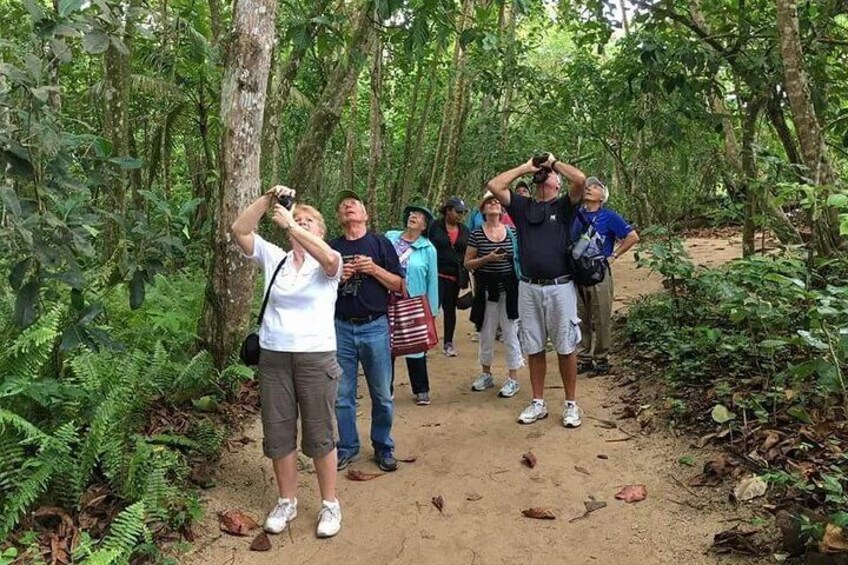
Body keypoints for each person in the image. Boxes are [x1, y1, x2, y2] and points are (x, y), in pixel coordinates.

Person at [231, 185, 344, 538]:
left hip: (315, 357)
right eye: (299, 217)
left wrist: (293, 224)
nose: (303, 223)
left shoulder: (329, 264)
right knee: (279, 432)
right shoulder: (275, 257)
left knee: (320, 433)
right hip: (274, 358)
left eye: (311, 221)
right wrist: (267, 199)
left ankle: (329, 504)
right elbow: (240, 230)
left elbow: (328, 260)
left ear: (321, 232)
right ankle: (287, 500)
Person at [485, 154, 587, 428]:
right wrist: (525, 167)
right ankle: (538, 402)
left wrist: (554, 163)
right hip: (529, 288)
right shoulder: (522, 207)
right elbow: (494, 185)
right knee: (534, 346)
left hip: (560, 287)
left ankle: (571, 405)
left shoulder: (565, 206)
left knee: (566, 347)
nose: (543, 174)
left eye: (549, 174)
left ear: (556, 183)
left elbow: (580, 180)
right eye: (540, 173)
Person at [330, 190, 403, 472]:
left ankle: (383, 445)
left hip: (375, 326)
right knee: (342, 394)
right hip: (340, 328)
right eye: (343, 205)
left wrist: (372, 269)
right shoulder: (331, 247)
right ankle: (347, 447)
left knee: (382, 393)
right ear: (339, 217)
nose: (348, 206)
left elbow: (398, 285)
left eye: (354, 204)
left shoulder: (380, 243)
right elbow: (317, 288)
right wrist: (340, 277)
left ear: (365, 215)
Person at [572, 177, 639, 376]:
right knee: (580, 316)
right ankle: (584, 357)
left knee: (601, 317)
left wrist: (613, 256)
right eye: (588, 186)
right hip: (578, 272)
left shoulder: (609, 217)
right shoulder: (576, 215)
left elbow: (633, 236)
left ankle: (601, 358)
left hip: (598, 272)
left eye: (595, 187)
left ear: (603, 196)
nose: (589, 189)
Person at [464, 192, 523, 398]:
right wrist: (486, 259)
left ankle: (513, 378)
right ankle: (486, 374)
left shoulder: (512, 232)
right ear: (483, 209)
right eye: (489, 202)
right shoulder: (477, 234)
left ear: (502, 209)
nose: (494, 203)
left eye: (496, 201)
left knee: (510, 333)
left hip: (509, 289)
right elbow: (468, 262)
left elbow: (519, 259)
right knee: (486, 333)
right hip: (486, 289)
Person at [385, 205, 440, 405]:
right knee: (386, 344)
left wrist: (432, 311)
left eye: (419, 216)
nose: (413, 216)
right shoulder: (389, 238)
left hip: (414, 302)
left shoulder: (428, 249)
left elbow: (432, 280)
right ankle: (385, 389)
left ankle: (421, 389)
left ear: (425, 226)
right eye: (411, 214)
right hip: (387, 299)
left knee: (415, 345)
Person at [428, 196, 470, 357]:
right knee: (432, 308)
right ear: (448, 210)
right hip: (436, 275)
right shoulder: (434, 226)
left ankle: (448, 343)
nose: (460, 215)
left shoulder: (465, 230)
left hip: (455, 277)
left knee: (450, 310)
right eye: (458, 211)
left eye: (463, 212)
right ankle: (426, 340)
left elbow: (469, 251)